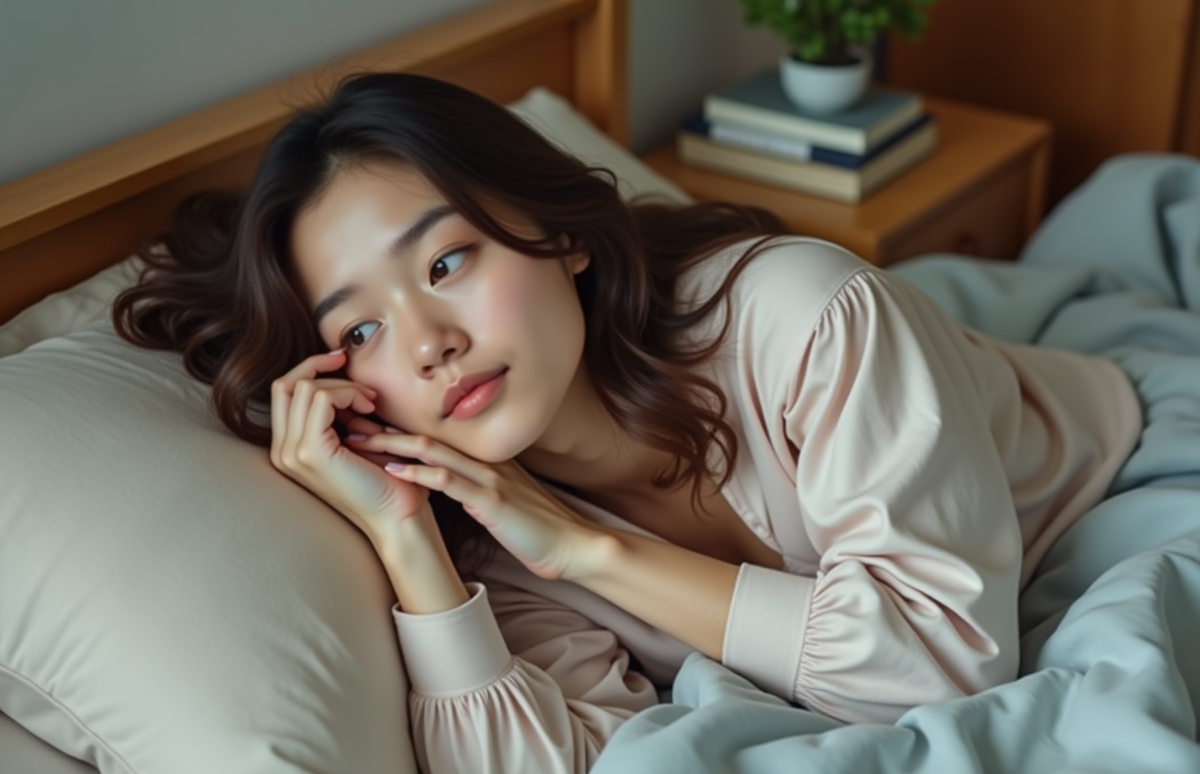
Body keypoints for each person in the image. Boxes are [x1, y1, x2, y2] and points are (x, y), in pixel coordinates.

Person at [113, 72, 1142, 773]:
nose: (427, 341)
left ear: (559, 234)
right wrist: (406, 540)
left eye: (447, 261)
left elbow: (945, 669)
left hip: (1104, 488)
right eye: (363, 328)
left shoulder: (805, 312)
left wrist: (591, 549)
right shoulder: (497, 522)